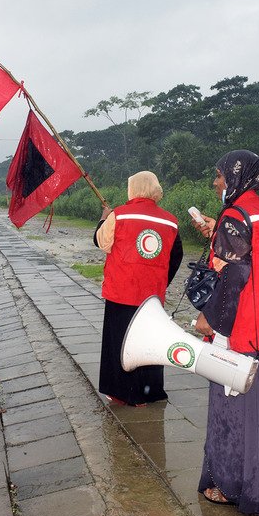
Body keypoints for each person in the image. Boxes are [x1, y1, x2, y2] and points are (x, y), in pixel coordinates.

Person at [190, 149, 259, 515]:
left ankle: (232, 485)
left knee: (233, 407)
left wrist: (210, 319)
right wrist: (215, 231)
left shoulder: (235, 214)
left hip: (240, 328)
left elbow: (234, 274)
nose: (216, 182)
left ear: (235, 176)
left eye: (219, 176)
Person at [94, 171, 184, 406]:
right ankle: (151, 392)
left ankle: (124, 394)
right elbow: (177, 256)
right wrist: (161, 282)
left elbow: (101, 242)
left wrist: (104, 219)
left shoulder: (119, 215)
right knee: (151, 343)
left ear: (133, 188)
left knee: (121, 342)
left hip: (121, 293)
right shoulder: (170, 220)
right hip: (152, 297)